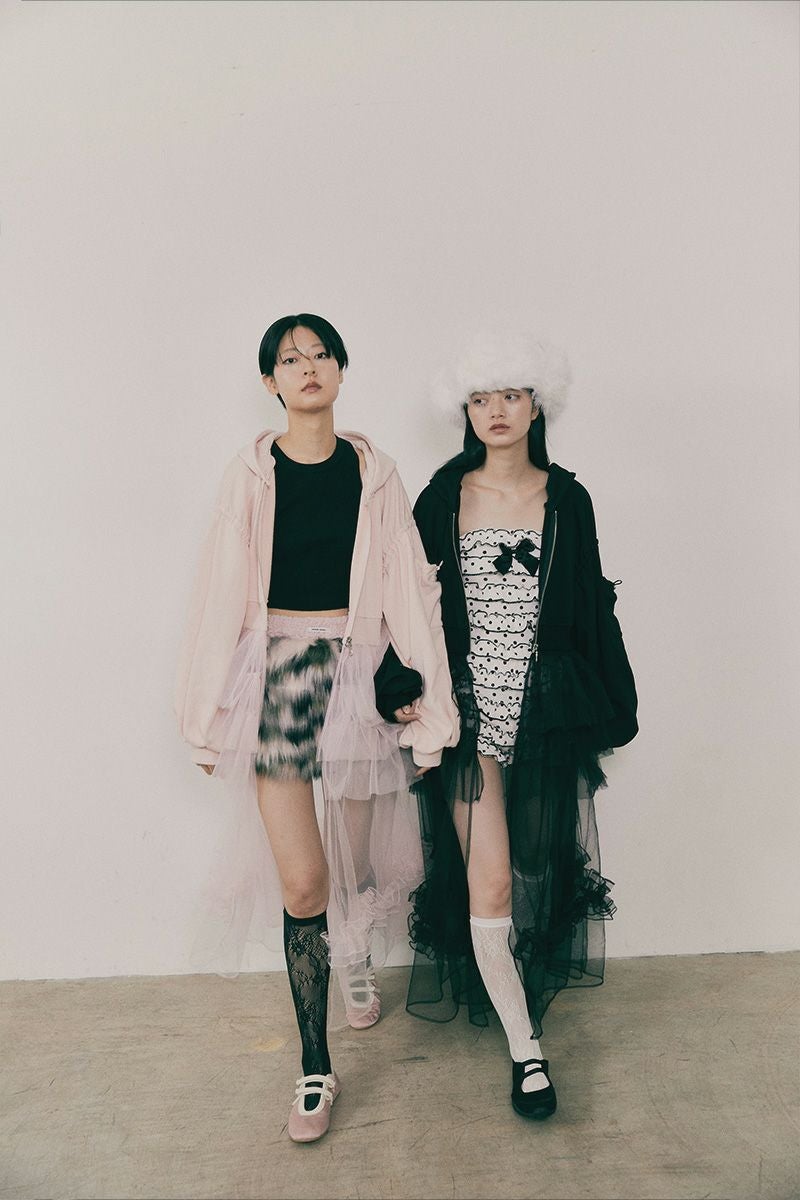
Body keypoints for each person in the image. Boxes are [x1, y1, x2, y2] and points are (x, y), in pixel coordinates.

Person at [175, 314, 458, 1142]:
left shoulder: (376, 473)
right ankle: (314, 1066)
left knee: (356, 861)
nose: (308, 367)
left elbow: (410, 590)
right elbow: (218, 590)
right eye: (290, 359)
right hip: (281, 677)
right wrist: (203, 716)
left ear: (340, 371)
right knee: (304, 884)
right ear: (270, 382)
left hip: (356, 670)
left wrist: (432, 708)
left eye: (321, 355)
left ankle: (356, 954)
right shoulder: (250, 475)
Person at [404, 333, 638, 1119]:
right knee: (493, 879)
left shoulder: (567, 498)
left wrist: (612, 703)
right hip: (467, 715)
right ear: (464, 411)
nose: (495, 411)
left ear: (537, 405)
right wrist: (404, 693)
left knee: (538, 872)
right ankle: (526, 1051)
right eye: (480, 399)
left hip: (543, 715)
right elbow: (406, 608)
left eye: (510, 395)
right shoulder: (442, 497)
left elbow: (591, 605)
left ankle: (515, 988)